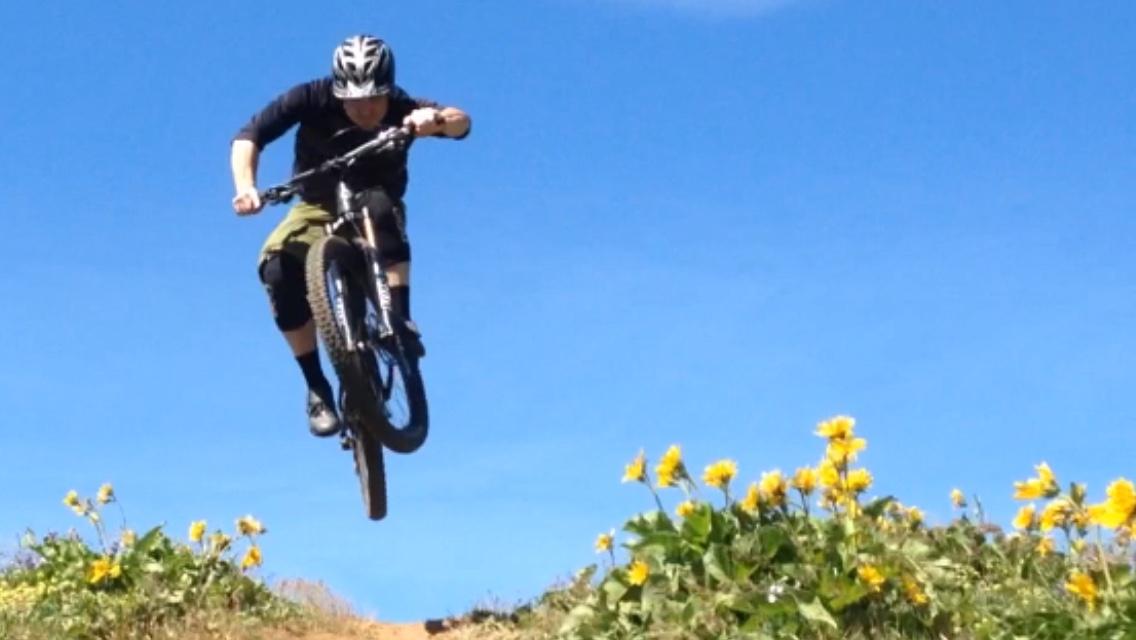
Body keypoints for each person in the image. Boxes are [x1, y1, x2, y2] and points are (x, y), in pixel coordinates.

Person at [230, 34, 470, 437]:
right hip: (314, 205)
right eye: (353, 100)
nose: (365, 109)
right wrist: (245, 187)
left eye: (374, 98)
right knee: (277, 270)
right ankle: (316, 386)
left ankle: (400, 322)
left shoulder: (402, 106)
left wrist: (436, 121)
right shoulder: (309, 97)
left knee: (378, 206)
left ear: (388, 89)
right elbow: (248, 137)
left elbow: (462, 123)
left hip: (375, 204)